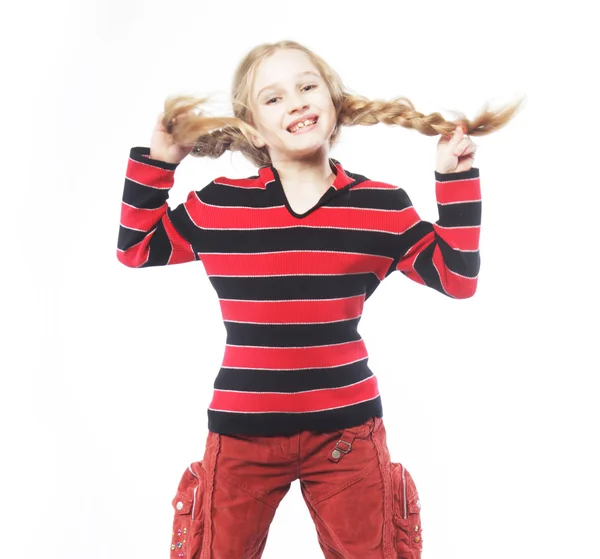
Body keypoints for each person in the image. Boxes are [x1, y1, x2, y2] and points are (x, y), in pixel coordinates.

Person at [117, 40, 523, 559]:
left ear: (332, 100)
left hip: (347, 437)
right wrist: (159, 161)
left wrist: (454, 177)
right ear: (251, 125)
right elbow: (136, 246)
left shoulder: (379, 205)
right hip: (242, 437)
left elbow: (457, 275)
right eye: (273, 97)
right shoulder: (220, 203)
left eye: (308, 86)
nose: (296, 102)